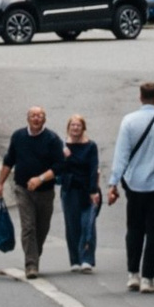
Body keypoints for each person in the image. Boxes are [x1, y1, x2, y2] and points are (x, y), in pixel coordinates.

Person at [106, 80, 154, 292]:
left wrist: (113, 183)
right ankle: (148, 278)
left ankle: (133, 273)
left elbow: (121, 155)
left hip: (135, 183)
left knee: (134, 228)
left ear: (140, 98)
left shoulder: (129, 121)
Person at [1, 104, 65, 275]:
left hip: (46, 191)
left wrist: (40, 179)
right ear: (27, 118)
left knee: (42, 228)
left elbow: (59, 166)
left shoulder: (52, 139)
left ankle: (34, 255)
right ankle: (31, 265)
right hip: (23, 189)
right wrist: (0, 184)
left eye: (40, 116)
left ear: (44, 119)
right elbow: (9, 161)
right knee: (28, 227)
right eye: (33, 115)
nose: (36, 118)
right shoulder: (18, 136)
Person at [59, 113, 100, 270]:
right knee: (72, 225)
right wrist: (63, 156)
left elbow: (94, 168)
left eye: (78, 125)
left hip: (87, 189)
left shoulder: (91, 146)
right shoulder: (62, 146)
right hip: (69, 189)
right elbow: (57, 167)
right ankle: (75, 260)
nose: (75, 128)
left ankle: (87, 259)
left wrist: (93, 190)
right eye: (73, 125)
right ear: (68, 128)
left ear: (83, 128)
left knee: (88, 224)